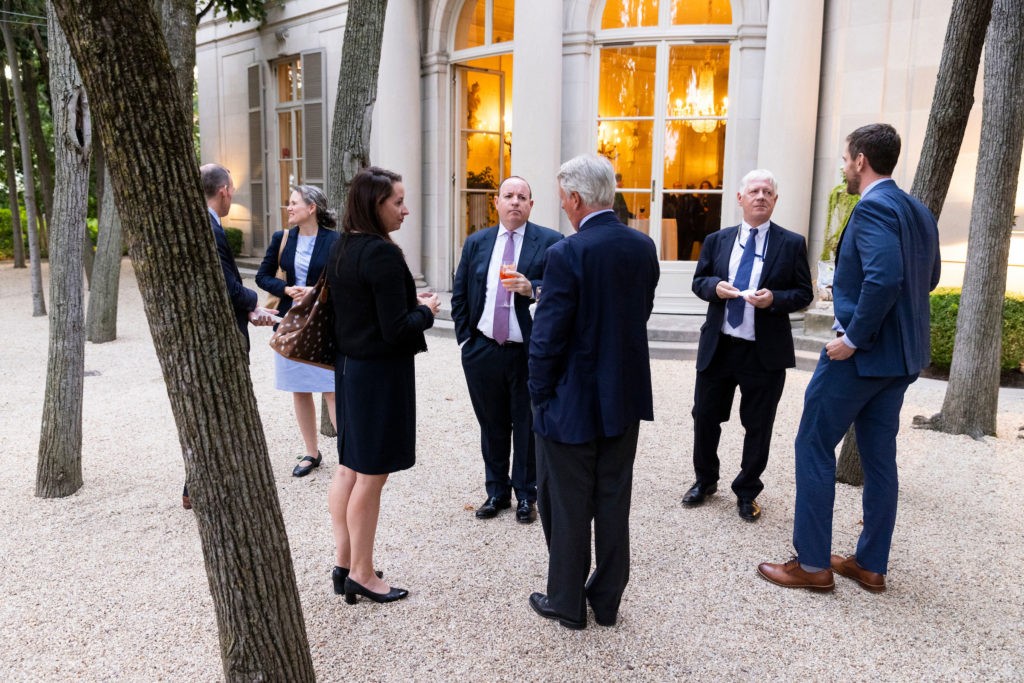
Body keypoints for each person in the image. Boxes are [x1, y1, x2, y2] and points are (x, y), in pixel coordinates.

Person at [758, 123, 941, 592]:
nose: (843, 166)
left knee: (813, 445)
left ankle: (814, 565)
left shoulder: (873, 208)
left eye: (845, 158)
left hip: (861, 358)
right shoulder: (917, 210)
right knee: (881, 460)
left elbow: (883, 279)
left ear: (861, 160)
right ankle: (871, 564)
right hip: (902, 361)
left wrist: (854, 337)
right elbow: (930, 277)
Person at [527, 154, 659, 629]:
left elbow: (547, 337)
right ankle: (605, 601)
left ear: (577, 198)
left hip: (570, 403)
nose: (563, 206)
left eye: (563, 197)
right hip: (622, 396)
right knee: (612, 500)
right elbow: (636, 314)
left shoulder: (566, 253)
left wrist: (538, 394)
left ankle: (566, 602)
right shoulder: (643, 247)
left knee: (566, 504)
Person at [326, 166, 440, 604]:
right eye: (398, 202)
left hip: (350, 370)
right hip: (378, 377)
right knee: (372, 476)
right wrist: (426, 311)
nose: (406, 210)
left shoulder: (341, 247)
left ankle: (344, 560)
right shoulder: (382, 254)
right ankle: (362, 573)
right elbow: (397, 329)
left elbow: (364, 312)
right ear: (375, 205)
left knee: (349, 468)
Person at [682, 169, 813, 522]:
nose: (760, 196)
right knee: (705, 416)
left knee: (759, 425)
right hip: (720, 346)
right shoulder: (717, 240)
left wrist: (774, 299)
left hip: (763, 352)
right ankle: (705, 480)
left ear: (775, 200)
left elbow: (804, 293)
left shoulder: (791, 243)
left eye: (767, 192)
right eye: (753, 191)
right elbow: (699, 281)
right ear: (739, 199)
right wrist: (715, 288)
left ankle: (747, 490)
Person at [450, 176, 562, 524]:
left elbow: (562, 292)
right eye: (508, 196)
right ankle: (496, 491)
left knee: (527, 423)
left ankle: (527, 495)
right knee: (492, 424)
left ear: (531, 204)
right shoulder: (477, 243)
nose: (515, 202)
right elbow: (459, 294)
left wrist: (534, 288)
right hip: (483, 350)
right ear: (496, 202)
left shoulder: (551, 242)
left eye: (522, 197)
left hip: (528, 351)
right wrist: (466, 340)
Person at [183, 163, 277, 509]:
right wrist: (253, 303)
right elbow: (227, 285)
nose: (232, 195)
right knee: (222, 411)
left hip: (214, 330)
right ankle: (201, 487)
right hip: (221, 337)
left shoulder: (202, 223)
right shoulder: (211, 227)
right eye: (232, 189)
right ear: (223, 190)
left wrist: (249, 308)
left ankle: (195, 487)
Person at [256, 185, 340, 477]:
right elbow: (262, 276)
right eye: (288, 203)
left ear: (312, 207)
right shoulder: (282, 238)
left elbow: (342, 278)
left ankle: (350, 457)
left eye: (294, 203)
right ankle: (312, 453)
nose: (289, 208)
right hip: (290, 323)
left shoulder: (334, 240)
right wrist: (286, 289)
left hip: (323, 323)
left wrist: (315, 292)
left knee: (332, 389)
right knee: (300, 390)